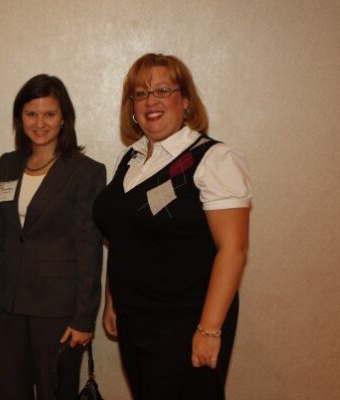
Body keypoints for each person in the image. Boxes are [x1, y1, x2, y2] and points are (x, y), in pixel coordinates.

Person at [93, 53, 251, 399]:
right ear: (131, 106)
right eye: (141, 93)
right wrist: (112, 300)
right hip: (135, 319)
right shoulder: (130, 159)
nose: (151, 101)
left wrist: (209, 331)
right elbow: (122, 236)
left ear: (186, 100)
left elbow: (233, 250)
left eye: (163, 90)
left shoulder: (214, 160)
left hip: (185, 322)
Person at [0, 74, 106, 400]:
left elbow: (89, 248)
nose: (40, 123)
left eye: (49, 114)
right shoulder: (8, 164)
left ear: (64, 117)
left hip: (58, 309)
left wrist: (84, 318)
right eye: (31, 114)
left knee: (56, 393)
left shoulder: (86, 172)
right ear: (19, 118)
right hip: (9, 305)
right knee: (11, 392)